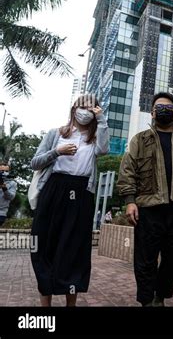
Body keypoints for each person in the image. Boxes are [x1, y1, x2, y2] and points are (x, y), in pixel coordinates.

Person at [117, 92, 173, 307]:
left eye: (168, 107)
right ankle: (147, 301)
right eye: (159, 107)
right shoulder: (140, 140)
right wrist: (130, 200)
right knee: (145, 259)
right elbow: (127, 171)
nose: (164, 110)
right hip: (149, 208)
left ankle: (160, 297)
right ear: (153, 112)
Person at [30, 94, 109, 307]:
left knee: (75, 249)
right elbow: (35, 163)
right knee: (43, 244)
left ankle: (70, 304)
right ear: (73, 109)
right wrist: (57, 151)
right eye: (82, 106)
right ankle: (45, 303)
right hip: (53, 190)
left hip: (81, 194)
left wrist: (102, 120)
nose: (85, 111)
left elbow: (104, 150)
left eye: (91, 108)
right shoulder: (55, 134)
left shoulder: (94, 139)